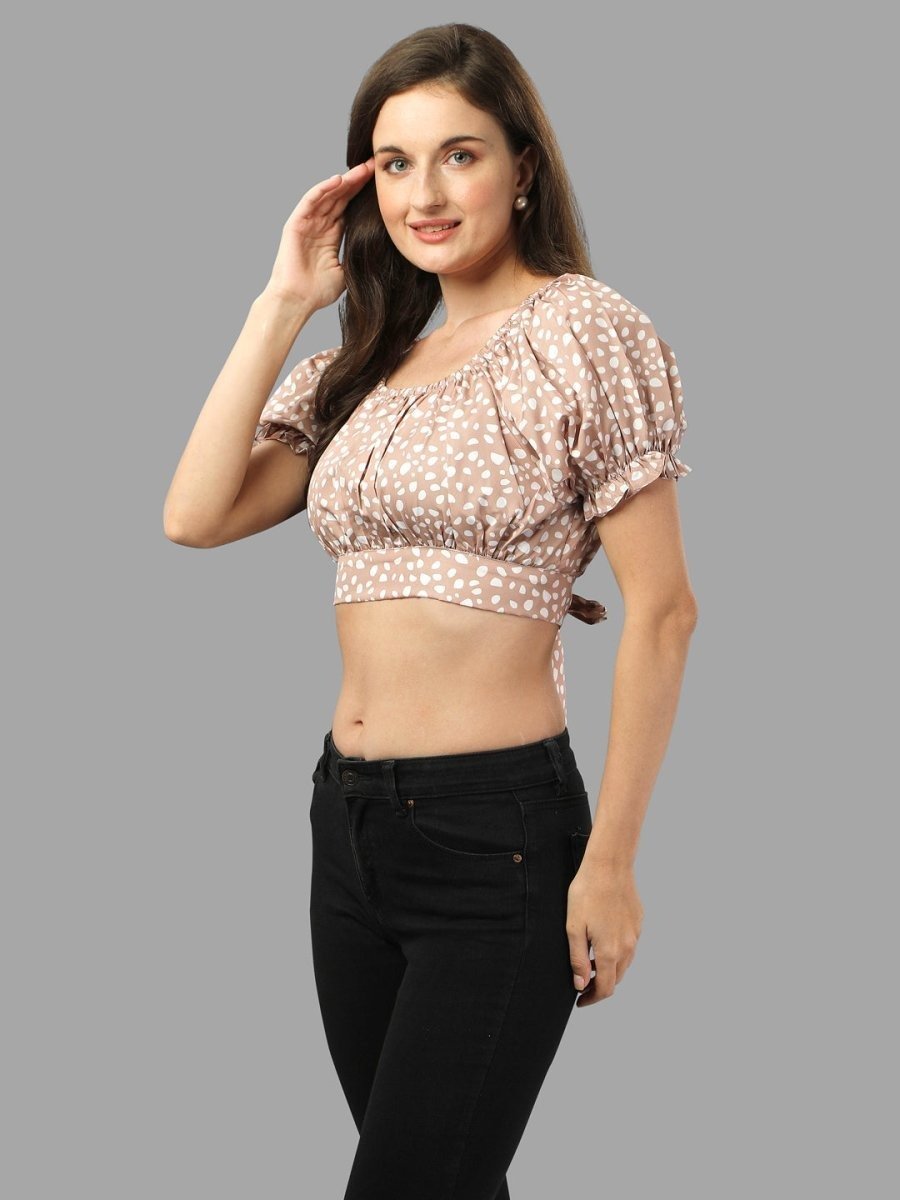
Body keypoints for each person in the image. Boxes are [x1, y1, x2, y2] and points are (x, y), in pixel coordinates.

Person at [164, 21, 697, 1200]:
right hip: (349, 829)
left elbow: (664, 613)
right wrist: (283, 300)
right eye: (395, 163)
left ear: (523, 166)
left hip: (494, 839)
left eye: (460, 155)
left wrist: (611, 864)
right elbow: (194, 515)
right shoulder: (366, 362)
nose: (425, 194)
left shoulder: (582, 332)